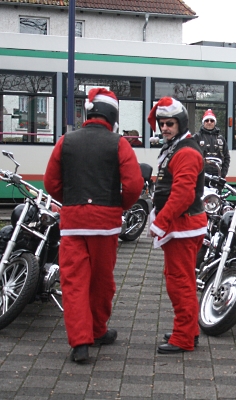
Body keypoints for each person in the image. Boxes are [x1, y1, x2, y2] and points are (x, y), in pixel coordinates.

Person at [44, 88, 143, 363]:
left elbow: (51, 183)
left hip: (73, 224)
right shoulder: (119, 143)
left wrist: (72, 202)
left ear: (89, 113)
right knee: (102, 282)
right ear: (112, 116)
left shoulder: (66, 141)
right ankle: (98, 331)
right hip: (105, 225)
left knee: (74, 283)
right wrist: (119, 205)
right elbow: (135, 184)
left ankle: (80, 343)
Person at [147, 97, 208, 353]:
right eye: (161, 124)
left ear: (180, 123)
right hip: (182, 224)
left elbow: (182, 194)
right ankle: (188, 331)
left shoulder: (185, 151)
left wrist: (160, 222)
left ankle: (184, 337)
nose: (164, 128)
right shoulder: (180, 147)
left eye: (169, 123)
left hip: (182, 226)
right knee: (181, 280)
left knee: (179, 281)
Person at [194, 109, 230, 178]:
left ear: (215, 122)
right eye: (207, 120)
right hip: (201, 175)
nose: (209, 122)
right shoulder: (197, 137)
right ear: (203, 122)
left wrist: (223, 174)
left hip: (217, 175)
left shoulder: (221, 138)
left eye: (212, 120)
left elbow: (226, 157)